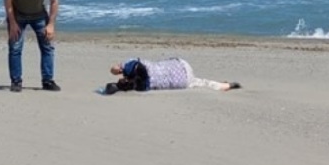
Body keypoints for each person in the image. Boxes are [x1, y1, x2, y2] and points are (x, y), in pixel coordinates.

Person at [4, 0, 60, 92]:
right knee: (15, 47)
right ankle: (16, 81)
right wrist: (12, 23)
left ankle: (47, 81)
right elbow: (8, 0)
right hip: (18, 15)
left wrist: (51, 24)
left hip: (39, 14)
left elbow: (54, 0)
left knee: (48, 46)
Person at [102, 56, 241, 95]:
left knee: (199, 82)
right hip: (180, 65)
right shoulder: (132, 66)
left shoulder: (140, 87)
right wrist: (120, 68)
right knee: (198, 81)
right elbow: (115, 68)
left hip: (181, 82)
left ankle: (225, 85)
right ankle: (225, 85)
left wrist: (121, 82)